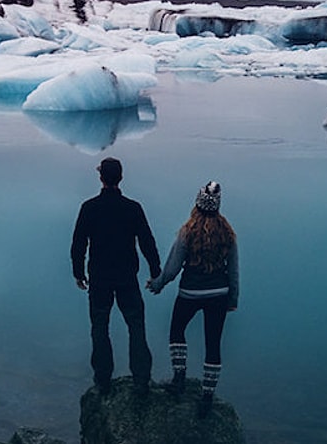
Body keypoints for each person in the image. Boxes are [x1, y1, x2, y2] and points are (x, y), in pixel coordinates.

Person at [147, 181, 239, 418]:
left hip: (190, 293)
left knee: (177, 330)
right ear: (217, 205)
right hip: (218, 294)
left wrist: (158, 284)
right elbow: (234, 271)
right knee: (213, 344)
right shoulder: (228, 233)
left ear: (197, 203)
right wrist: (232, 299)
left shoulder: (188, 231)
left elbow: (173, 267)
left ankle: (179, 379)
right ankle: (207, 397)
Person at [72, 157, 161, 395]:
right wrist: (155, 270)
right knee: (136, 325)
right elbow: (146, 241)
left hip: (99, 277)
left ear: (100, 177)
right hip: (126, 277)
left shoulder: (89, 208)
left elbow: (78, 243)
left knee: (100, 326)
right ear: (120, 177)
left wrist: (78, 272)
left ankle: (103, 380)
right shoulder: (133, 208)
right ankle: (141, 379)